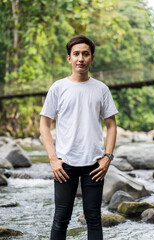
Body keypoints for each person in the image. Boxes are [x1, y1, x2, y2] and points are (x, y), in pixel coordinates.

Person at [40, 35, 118, 240]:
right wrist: (53, 159)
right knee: (61, 218)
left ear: (92, 58)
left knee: (93, 218)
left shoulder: (101, 89)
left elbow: (111, 125)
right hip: (64, 164)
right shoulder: (58, 88)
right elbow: (44, 124)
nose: (80, 58)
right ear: (69, 58)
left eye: (85, 54)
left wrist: (107, 157)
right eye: (76, 54)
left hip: (94, 164)